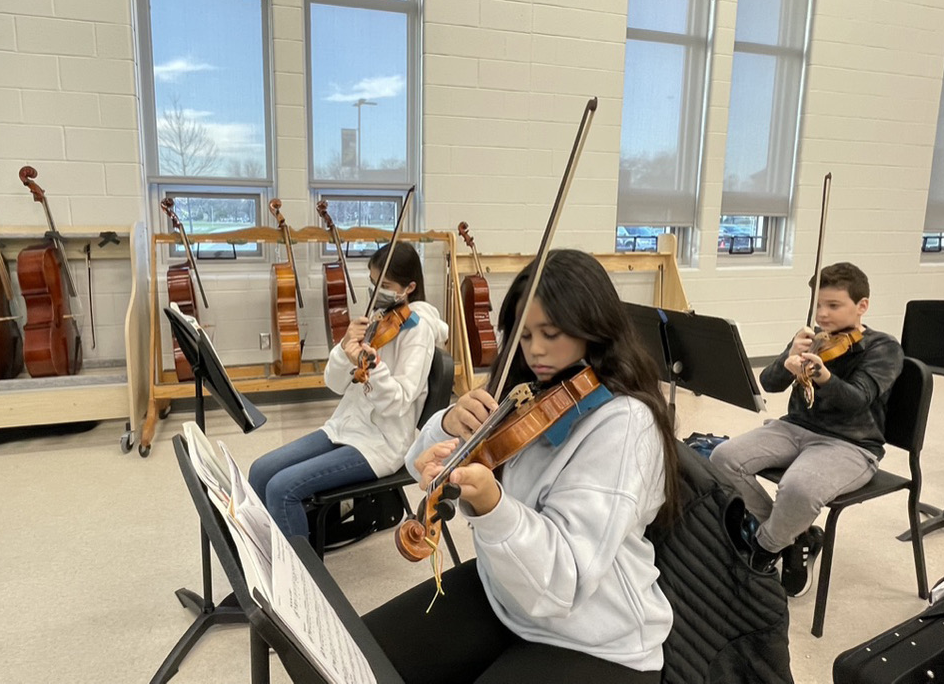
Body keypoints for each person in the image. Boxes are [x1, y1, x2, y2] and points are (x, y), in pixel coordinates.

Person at [363, 249, 680, 684]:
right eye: (525, 335)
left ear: (595, 330)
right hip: (508, 594)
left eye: (551, 333)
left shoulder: (625, 425)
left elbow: (562, 583)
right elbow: (414, 458)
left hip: (594, 637)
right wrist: (446, 425)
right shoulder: (531, 391)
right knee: (362, 654)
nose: (536, 351)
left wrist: (494, 507)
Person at [710, 262, 904, 597]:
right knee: (722, 458)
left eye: (833, 306)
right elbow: (769, 383)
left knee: (798, 488)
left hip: (850, 444)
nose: (823, 315)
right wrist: (788, 357)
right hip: (795, 428)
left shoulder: (883, 348)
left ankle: (765, 549)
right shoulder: (813, 338)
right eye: (818, 305)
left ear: (862, 306)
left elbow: (857, 399)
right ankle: (793, 534)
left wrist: (824, 376)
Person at [248, 241, 448, 539]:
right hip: (345, 427)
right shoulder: (381, 317)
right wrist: (344, 350)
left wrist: (372, 366)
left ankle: (298, 575)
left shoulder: (417, 332)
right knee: (260, 471)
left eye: (386, 284)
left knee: (282, 488)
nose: (376, 291)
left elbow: (398, 403)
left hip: (380, 443)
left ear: (409, 288)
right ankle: (268, 549)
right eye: (373, 282)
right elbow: (334, 383)